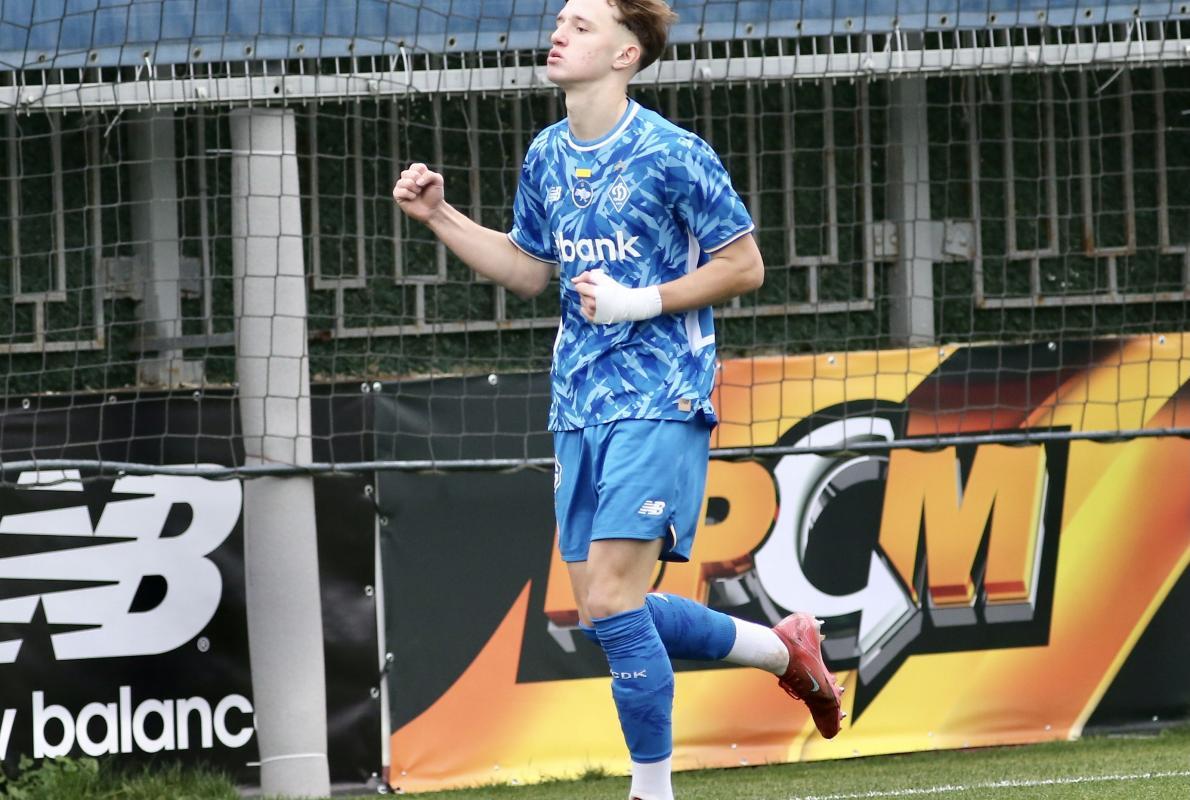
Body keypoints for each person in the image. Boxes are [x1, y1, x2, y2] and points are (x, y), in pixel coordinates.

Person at [393, 1, 843, 797]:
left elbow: (744, 266)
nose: (559, 33)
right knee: (610, 612)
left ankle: (651, 789)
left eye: (582, 25)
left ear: (625, 55)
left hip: (661, 395)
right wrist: (439, 215)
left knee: (609, 597)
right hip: (577, 403)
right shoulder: (546, 153)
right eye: (561, 20)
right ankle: (784, 651)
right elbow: (530, 270)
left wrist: (642, 301)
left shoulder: (674, 153)